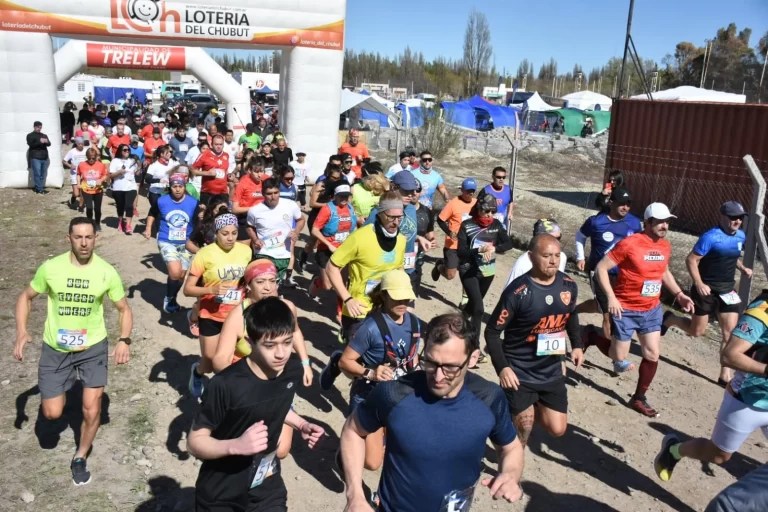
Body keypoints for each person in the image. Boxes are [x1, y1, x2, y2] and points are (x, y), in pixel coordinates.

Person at [340, 312, 524, 511]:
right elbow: (353, 431)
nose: (437, 376)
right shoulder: (394, 393)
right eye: (430, 362)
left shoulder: (489, 398)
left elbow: (511, 448)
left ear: (472, 359)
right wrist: (355, 496)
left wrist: (511, 474)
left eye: (450, 368)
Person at [14, 217, 133, 485]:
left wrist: (124, 339)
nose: (83, 242)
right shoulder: (51, 268)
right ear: (68, 238)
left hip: (93, 347)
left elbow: (124, 309)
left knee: (92, 410)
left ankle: (80, 456)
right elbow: (25, 297)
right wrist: (21, 330)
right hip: (56, 348)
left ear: (96, 239)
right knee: (52, 414)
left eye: (88, 237)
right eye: (77, 237)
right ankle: (66, 384)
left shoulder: (106, 272)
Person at [187, 297, 325, 511]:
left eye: (287, 342)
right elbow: (194, 442)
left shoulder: (292, 370)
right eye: (270, 345)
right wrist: (236, 445)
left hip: (266, 484)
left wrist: (300, 424)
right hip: (222, 488)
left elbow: (272, 405)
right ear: (249, 342)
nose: (281, 354)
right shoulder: (225, 385)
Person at [653, 289, 768, 484]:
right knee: (718, 456)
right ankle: (674, 450)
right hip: (746, 401)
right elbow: (729, 356)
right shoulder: (761, 312)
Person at [591, 202, 694, 417]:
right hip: (625, 308)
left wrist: (679, 295)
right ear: (647, 223)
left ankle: (638, 398)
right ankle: (591, 336)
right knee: (618, 358)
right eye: (660, 222)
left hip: (650, 309)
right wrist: (611, 297)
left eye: (667, 222)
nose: (665, 226)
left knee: (652, 353)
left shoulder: (665, 246)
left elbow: (663, 271)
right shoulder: (630, 243)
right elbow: (601, 268)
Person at [485, 234, 584, 448]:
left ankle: (511, 407)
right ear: (531, 257)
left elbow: (571, 315)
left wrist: (576, 345)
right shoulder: (517, 292)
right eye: (547, 255)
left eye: (557, 255)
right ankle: (513, 468)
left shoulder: (568, 285)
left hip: (550, 369)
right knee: (524, 427)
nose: (553, 261)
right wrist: (503, 368)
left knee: (558, 429)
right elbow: (492, 332)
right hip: (520, 371)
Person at [319, 191, 407, 390]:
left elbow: (398, 271)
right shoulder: (359, 237)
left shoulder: (401, 240)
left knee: (378, 358)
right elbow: (332, 267)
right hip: (359, 308)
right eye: (391, 217)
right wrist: (347, 298)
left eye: (399, 217)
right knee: (358, 363)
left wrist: (403, 301)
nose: (396, 222)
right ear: (380, 214)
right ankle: (338, 363)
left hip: (385, 308)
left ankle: (364, 402)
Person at [338, 270, 421, 472]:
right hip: (370, 396)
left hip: (399, 395)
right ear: (383, 295)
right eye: (396, 297)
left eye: (406, 297)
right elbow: (345, 362)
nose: (403, 302)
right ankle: (345, 452)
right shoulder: (370, 328)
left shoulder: (415, 322)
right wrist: (371, 373)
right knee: (372, 463)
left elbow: (412, 355)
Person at [662, 201, 752, 385]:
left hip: (727, 290)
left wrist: (742, 268)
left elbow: (731, 256)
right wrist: (699, 283)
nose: (737, 221)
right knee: (697, 331)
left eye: (740, 218)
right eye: (733, 217)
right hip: (706, 289)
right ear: (723, 217)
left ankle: (724, 375)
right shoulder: (710, 237)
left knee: (729, 333)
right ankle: (670, 319)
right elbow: (691, 260)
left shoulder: (740, 236)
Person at [183, 212, 252, 399]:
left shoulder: (246, 251)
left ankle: (230, 395)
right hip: (211, 315)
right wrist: (211, 291)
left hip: (237, 314)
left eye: (234, 233)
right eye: (225, 233)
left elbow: (249, 279)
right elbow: (187, 289)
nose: (230, 238)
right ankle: (197, 372)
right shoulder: (204, 254)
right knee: (210, 361)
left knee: (239, 357)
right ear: (216, 233)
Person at [575, 187, 642, 337]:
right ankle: (613, 354)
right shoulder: (596, 222)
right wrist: (580, 257)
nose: (625, 207)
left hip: (624, 275)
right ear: (611, 203)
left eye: (628, 204)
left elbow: (640, 245)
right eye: (621, 203)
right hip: (599, 273)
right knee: (608, 313)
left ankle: (573, 311)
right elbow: (580, 236)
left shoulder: (635, 223)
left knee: (603, 306)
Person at [457, 194, 513, 361]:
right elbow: (461, 252)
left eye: (492, 211)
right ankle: (475, 348)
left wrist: (494, 248)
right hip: (469, 271)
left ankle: (456, 323)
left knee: (473, 306)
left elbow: (508, 244)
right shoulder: (467, 225)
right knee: (479, 309)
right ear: (478, 210)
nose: (489, 215)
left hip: (487, 271)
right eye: (486, 211)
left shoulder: (496, 225)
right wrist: (479, 250)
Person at [145, 174, 198, 314]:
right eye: (175, 186)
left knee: (181, 275)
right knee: (175, 272)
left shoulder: (193, 203)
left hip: (186, 243)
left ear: (185, 187)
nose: (178, 190)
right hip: (166, 240)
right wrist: (148, 228)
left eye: (180, 186)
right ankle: (169, 299)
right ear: (170, 187)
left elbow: (199, 220)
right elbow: (152, 213)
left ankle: (172, 299)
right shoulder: (162, 201)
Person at [246, 178, 305, 285]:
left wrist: (296, 231)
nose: (273, 197)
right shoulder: (254, 210)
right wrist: (255, 239)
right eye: (269, 194)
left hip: (283, 254)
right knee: (265, 283)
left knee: (276, 287)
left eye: (276, 193)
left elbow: (301, 219)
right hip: (263, 253)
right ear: (263, 193)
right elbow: (249, 227)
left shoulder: (290, 205)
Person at [308, 184, 357, 298]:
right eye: (341, 196)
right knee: (328, 285)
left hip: (343, 249)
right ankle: (317, 280)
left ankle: (340, 314)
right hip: (326, 250)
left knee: (342, 283)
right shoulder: (327, 209)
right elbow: (315, 230)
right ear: (335, 196)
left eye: (346, 196)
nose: (344, 199)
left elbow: (353, 227)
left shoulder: (350, 208)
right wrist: (329, 245)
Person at [432, 178, 477, 283]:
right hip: (453, 244)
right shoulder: (453, 204)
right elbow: (440, 219)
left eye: (473, 191)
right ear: (462, 190)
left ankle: (467, 298)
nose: (470, 193)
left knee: (469, 272)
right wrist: (449, 232)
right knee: (450, 275)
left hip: (468, 244)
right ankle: (439, 265)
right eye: (468, 190)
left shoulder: (476, 203)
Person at [504, 219, 566, 286]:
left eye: (558, 238)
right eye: (551, 239)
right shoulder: (524, 263)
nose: (555, 243)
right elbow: (509, 291)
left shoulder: (562, 257)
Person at [231, 156, 267, 241]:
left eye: (261, 171)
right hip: (245, 218)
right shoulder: (243, 183)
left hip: (262, 217)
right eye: (256, 172)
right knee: (245, 250)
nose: (259, 175)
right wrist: (254, 208)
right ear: (250, 171)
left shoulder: (266, 179)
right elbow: (234, 209)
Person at [109, 144, 140, 234]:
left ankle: (128, 225)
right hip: (118, 187)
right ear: (120, 151)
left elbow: (137, 173)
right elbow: (111, 175)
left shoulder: (132, 160)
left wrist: (139, 167)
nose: (127, 152)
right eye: (125, 150)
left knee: (129, 206)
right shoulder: (115, 161)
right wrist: (119, 172)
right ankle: (120, 221)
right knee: (120, 206)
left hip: (131, 187)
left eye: (128, 150)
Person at [191, 133, 230, 206]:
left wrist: (230, 176)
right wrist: (207, 173)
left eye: (221, 144)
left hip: (223, 193)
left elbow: (225, 171)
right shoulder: (204, 155)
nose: (219, 147)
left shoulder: (226, 155)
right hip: (208, 193)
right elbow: (192, 171)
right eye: (216, 144)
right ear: (211, 144)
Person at [76, 148, 108, 231]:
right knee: (89, 207)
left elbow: (105, 175)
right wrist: (78, 183)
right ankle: (90, 223)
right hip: (86, 190)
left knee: (97, 209)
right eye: (89, 158)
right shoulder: (81, 164)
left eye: (93, 158)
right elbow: (78, 174)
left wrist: (100, 180)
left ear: (96, 157)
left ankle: (97, 223)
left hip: (98, 190)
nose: (91, 160)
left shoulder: (101, 165)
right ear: (86, 157)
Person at [477, 166, 514, 230]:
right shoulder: (485, 190)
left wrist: (510, 213)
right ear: (493, 177)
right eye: (498, 177)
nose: (501, 179)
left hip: (503, 224)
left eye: (503, 177)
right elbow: (478, 207)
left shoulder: (508, 189)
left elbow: (511, 201)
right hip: (488, 225)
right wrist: (491, 202)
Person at [27, 120, 52, 194]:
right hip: (35, 157)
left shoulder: (44, 135)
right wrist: (39, 141)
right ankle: (40, 189)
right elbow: (31, 145)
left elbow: (49, 144)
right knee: (37, 173)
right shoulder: (30, 135)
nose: (39, 129)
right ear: (34, 127)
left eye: (40, 127)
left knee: (42, 174)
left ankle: (39, 187)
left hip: (44, 157)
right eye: (38, 127)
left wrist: (46, 142)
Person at [63, 137, 88, 210]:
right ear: (76, 144)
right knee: (77, 193)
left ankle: (80, 206)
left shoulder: (86, 151)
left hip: (84, 174)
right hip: (75, 174)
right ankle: (73, 196)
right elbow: (64, 161)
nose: (81, 145)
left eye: (82, 144)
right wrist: (70, 166)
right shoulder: (72, 151)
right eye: (79, 144)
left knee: (83, 191)